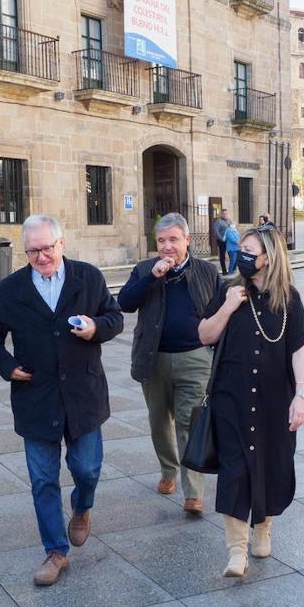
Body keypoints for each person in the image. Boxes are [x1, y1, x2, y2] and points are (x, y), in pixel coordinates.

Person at [0, 215, 124, 586]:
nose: (42, 256)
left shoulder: (87, 277)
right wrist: (7, 367)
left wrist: (96, 328)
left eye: (48, 248)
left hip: (83, 395)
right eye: (33, 250)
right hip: (36, 397)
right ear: (25, 252)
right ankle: (56, 551)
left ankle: (82, 506)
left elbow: (114, 317)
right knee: (43, 479)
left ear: (62, 244)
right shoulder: (12, 289)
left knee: (87, 469)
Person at [197, 225, 304, 577]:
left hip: (274, 401)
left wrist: (302, 395)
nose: (241, 255)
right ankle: (235, 551)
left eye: (249, 249)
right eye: (241, 248)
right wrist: (228, 308)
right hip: (230, 397)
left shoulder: (289, 298)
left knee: (272, 465)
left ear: (268, 257)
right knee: (234, 469)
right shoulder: (228, 290)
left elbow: (298, 349)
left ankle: (263, 527)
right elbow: (204, 335)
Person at [118, 213, 222, 514]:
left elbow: (219, 311)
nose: (167, 247)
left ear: (187, 240)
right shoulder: (143, 270)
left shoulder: (206, 271)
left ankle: (193, 492)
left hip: (195, 357)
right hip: (153, 358)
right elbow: (124, 303)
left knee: (190, 421)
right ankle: (168, 471)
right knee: (159, 421)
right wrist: (153, 276)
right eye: (161, 241)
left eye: (173, 240)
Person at [212, 210, 231, 275]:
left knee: (232, 255)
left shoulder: (229, 221)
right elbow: (215, 231)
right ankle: (224, 271)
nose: (225, 215)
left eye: (226, 213)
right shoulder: (218, 221)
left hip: (229, 241)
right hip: (221, 241)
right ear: (221, 214)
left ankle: (231, 270)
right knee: (222, 256)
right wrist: (221, 238)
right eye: (223, 213)